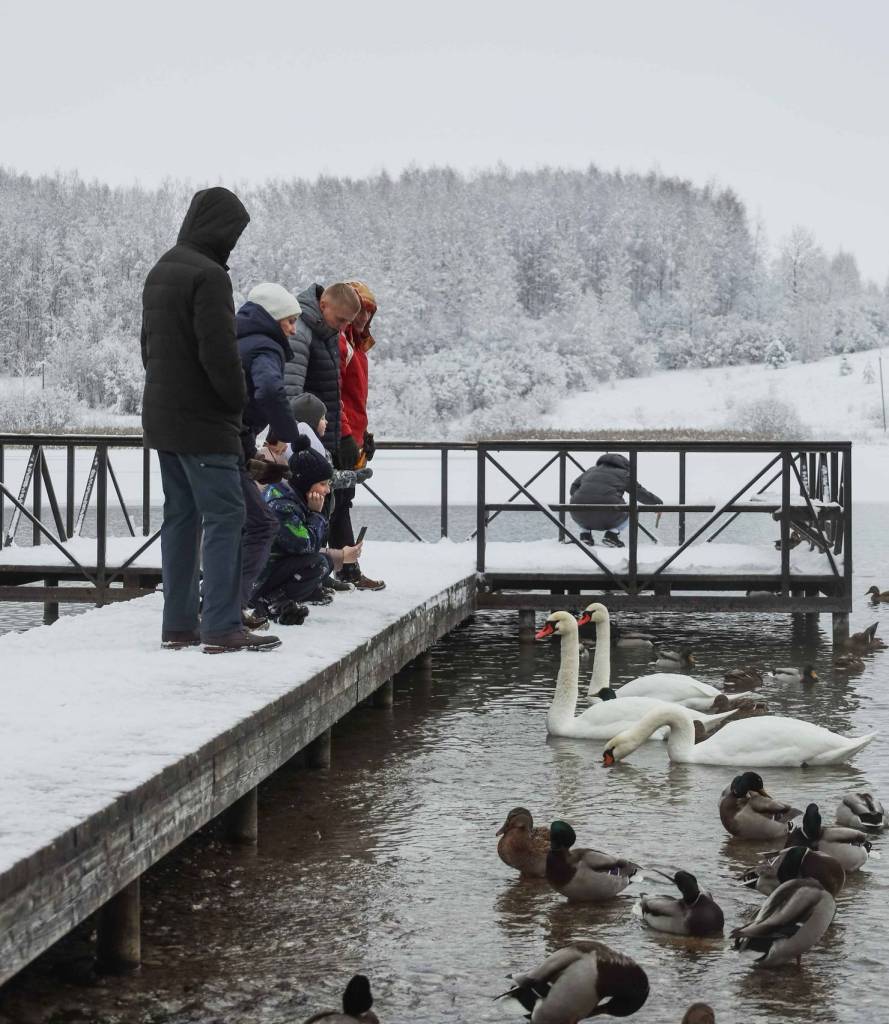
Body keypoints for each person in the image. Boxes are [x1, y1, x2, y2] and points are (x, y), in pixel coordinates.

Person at [140, 186, 280, 654]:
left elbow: (148, 348)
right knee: (227, 516)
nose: (235, 242)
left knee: (181, 517)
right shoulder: (209, 276)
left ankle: (178, 624)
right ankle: (222, 626)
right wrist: (235, 403)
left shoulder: (163, 268)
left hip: (163, 419)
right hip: (204, 422)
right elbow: (219, 354)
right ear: (222, 229)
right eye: (235, 232)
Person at [236, 283, 310, 625]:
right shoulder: (266, 347)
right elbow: (268, 390)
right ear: (273, 317)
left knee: (228, 525)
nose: (294, 329)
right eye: (290, 321)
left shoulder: (238, 339)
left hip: (224, 441)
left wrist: (250, 456)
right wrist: (287, 434)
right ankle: (229, 609)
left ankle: (216, 605)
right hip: (226, 444)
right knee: (262, 525)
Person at [253, 448, 363, 615]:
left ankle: (282, 598)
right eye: (322, 484)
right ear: (306, 483)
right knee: (318, 564)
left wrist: (341, 555)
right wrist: (317, 515)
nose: (327, 490)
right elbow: (304, 545)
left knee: (324, 560)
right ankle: (268, 601)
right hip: (254, 580)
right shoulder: (282, 505)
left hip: (266, 568)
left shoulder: (293, 497)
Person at [331, 280, 384, 591]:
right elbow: (334, 391)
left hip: (351, 431)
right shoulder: (341, 342)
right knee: (335, 501)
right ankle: (341, 566)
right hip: (340, 432)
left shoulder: (356, 345)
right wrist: (347, 434)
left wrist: (363, 435)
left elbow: (353, 397)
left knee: (341, 500)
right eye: (361, 310)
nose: (365, 317)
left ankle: (342, 566)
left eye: (370, 311)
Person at [283, 282, 361, 455]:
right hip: (306, 443)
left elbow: (331, 391)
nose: (344, 328)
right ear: (323, 305)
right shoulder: (300, 332)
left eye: (348, 322)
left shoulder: (328, 331)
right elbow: (290, 393)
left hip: (323, 438)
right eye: (341, 319)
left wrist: (342, 435)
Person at [568, 453, 662, 547]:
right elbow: (640, 494)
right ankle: (611, 535)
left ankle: (585, 535)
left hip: (579, 513)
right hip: (609, 515)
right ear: (625, 465)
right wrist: (658, 503)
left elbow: (574, 487)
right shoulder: (624, 474)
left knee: (581, 503)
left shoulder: (590, 470)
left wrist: (582, 496)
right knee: (633, 508)